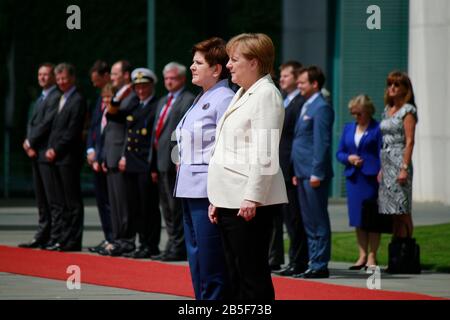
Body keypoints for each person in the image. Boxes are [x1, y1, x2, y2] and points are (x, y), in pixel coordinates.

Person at [207, 33, 287, 300]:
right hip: (231, 198)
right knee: (236, 272)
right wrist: (218, 197)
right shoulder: (243, 92)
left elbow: (264, 152)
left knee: (251, 275)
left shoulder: (265, 94)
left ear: (254, 62)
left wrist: (252, 196)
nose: (228, 65)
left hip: (248, 202)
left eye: (234, 59)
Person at [174, 37, 234, 300]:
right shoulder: (202, 97)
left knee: (211, 263)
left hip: (208, 191)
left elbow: (227, 149)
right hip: (189, 188)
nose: (192, 67)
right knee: (197, 260)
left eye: (199, 63)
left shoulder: (224, 99)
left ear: (216, 69)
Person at [148, 62, 195, 262]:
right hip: (159, 161)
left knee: (175, 208)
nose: (168, 81)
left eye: (173, 78)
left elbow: (183, 133)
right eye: (166, 78)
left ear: (182, 79)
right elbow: (155, 133)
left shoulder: (188, 99)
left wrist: (179, 159)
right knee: (166, 207)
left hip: (174, 162)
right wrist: (152, 163)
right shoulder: (162, 101)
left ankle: (178, 246)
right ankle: (171, 243)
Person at [291, 66, 334, 278]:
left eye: (302, 82)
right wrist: (296, 171)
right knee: (308, 220)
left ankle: (320, 263)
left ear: (315, 84)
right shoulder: (307, 106)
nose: (299, 85)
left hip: (313, 174)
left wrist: (317, 172)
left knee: (318, 220)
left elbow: (321, 143)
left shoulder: (321, 107)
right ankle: (313, 261)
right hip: (302, 172)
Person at [271, 61, 309, 277]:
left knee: (295, 218)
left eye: (286, 76)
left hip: (290, 166)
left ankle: (299, 261)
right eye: (281, 75)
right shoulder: (285, 101)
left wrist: (294, 169)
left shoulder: (300, 102)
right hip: (279, 166)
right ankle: (289, 259)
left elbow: (297, 139)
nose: (282, 79)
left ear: (296, 78)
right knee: (285, 218)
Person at [336, 94, 383, 269]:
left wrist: (382, 171)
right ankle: (362, 255)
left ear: (368, 111)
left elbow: (382, 152)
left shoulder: (377, 128)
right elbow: (339, 152)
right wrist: (349, 158)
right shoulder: (349, 128)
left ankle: (372, 256)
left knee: (371, 218)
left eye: (359, 113)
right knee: (357, 218)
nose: (356, 117)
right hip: (353, 178)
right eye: (354, 113)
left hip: (371, 178)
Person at [99, 60, 139, 256]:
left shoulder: (131, 96)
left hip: (122, 155)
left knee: (124, 203)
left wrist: (125, 154)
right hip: (111, 155)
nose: (111, 77)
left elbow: (127, 128)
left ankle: (126, 240)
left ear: (126, 75)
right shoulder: (118, 94)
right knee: (114, 202)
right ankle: (116, 239)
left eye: (115, 74)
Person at [45, 63, 87, 251]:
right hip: (57, 157)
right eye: (59, 78)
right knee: (60, 201)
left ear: (72, 79)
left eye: (64, 78)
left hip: (68, 157)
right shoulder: (61, 98)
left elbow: (72, 131)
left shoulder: (77, 99)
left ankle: (73, 240)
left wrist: (56, 149)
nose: (61, 82)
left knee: (72, 202)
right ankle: (61, 237)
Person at [121, 68, 161, 259]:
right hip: (131, 162)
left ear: (152, 86)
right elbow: (114, 112)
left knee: (148, 207)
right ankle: (140, 242)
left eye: (144, 86)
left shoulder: (156, 105)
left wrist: (153, 166)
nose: (141, 90)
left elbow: (155, 137)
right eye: (137, 87)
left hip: (146, 163)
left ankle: (150, 244)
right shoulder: (133, 105)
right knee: (134, 206)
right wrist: (125, 91)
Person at [20, 63, 61, 249]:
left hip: (45, 151)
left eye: (46, 74)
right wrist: (28, 142)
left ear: (53, 77)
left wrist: (32, 142)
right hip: (35, 151)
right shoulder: (39, 99)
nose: (42, 77)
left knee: (52, 197)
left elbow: (47, 123)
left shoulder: (55, 97)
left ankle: (54, 235)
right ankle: (42, 233)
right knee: (41, 198)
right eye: (40, 74)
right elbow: (32, 122)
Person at [379, 71, 418, 238]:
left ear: (405, 89)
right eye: (390, 84)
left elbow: (409, 141)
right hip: (386, 163)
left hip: (399, 160)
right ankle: (396, 255)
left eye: (396, 85)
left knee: (402, 210)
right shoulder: (387, 110)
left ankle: (406, 251)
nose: (392, 88)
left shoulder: (408, 111)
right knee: (392, 212)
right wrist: (382, 168)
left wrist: (404, 167)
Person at [86, 60, 113, 253]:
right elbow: (94, 127)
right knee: (102, 203)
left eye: (97, 80)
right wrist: (90, 151)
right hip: (96, 158)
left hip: (106, 160)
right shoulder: (99, 98)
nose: (94, 84)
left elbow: (111, 134)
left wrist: (102, 157)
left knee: (111, 203)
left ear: (106, 76)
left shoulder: (115, 97)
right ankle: (107, 237)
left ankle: (113, 238)